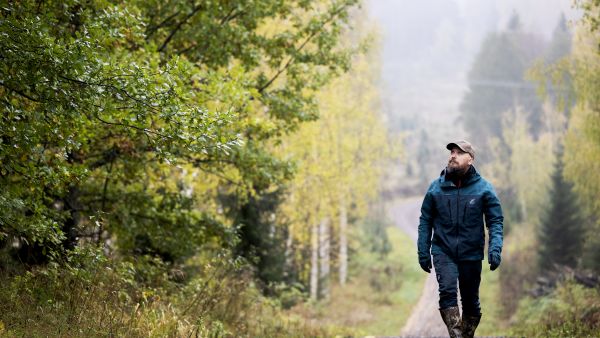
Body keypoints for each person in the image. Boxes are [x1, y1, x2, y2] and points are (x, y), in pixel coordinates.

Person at [417, 140, 503, 338]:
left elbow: (495, 220)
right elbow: (425, 221)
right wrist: (423, 250)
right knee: (447, 293)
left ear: (470, 159)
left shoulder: (484, 189)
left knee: (471, 300)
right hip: (443, 250)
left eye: (459, 152)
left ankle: (467, 335)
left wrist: (495, 248)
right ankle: (457, 336)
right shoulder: (435, 188)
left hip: (471, 253)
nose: (452, 155)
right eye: (451, 152)